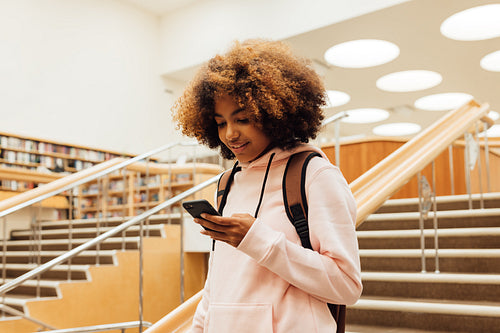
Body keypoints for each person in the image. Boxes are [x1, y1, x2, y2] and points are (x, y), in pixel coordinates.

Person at [172, 39, 362, 333]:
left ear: (274, 114)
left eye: (243, 119)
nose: (231, 134)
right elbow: (218, 282)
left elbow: (346, 286)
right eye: (220, 123)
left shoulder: (313, 174)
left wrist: (257, 239)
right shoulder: (228, 182)